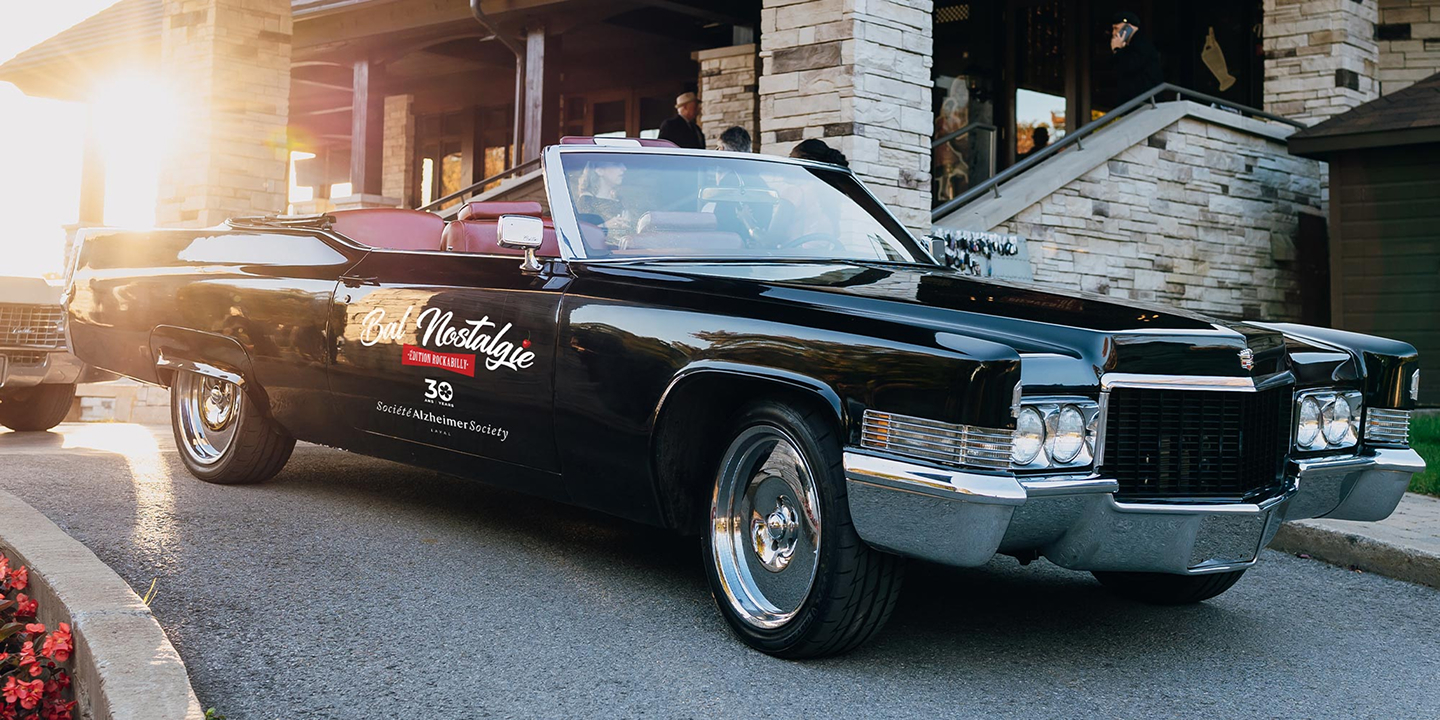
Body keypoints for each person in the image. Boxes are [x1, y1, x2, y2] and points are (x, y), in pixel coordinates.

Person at [1110, 10, 1164, 105]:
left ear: (1127, 28)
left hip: (1143, 99)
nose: (1114, 33)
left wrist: (1117, 50)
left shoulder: (1141, 44)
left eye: (1116, 28)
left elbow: (1129, 66)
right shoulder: (1134, 44)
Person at [575, 160, 634, 239]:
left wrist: (626, 229)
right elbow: (581, 235)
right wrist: (605, 226)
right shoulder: (586, 201)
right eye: (616, 164)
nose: (624, 168)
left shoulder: (622, 200)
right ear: (599, 170)